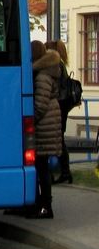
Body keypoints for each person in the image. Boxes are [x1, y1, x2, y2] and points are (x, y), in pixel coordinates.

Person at [28, 40, 62, 218]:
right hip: (49, 124)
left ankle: (45, 206)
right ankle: (42, 205)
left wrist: (29, 121)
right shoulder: (48, 71)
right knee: (42, 168)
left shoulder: (42, 75)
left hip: (44, 127)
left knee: (41, 168)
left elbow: (40, 105)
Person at [46, 40, 73, 184]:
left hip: (59, 105)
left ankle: (64, 172)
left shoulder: (56, 65)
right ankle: (65, 172)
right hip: (63, 105)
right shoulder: (61, 64)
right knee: (59, 138)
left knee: (58, 139)